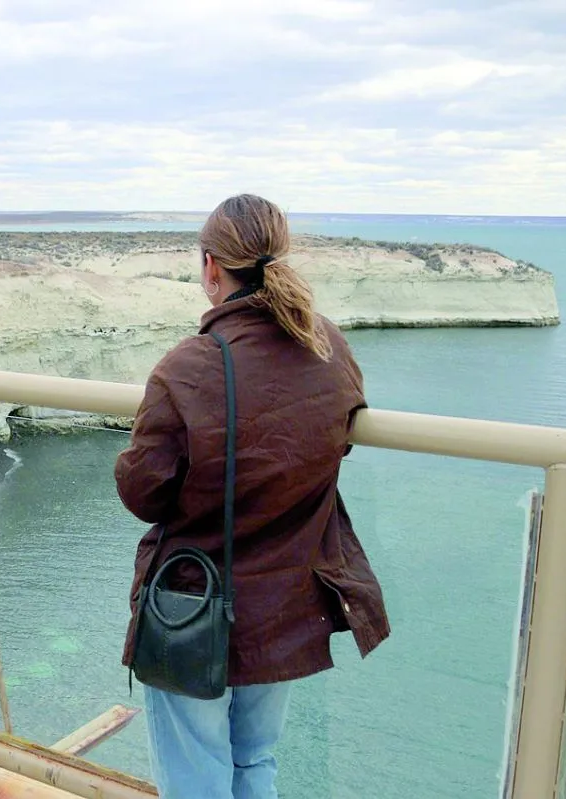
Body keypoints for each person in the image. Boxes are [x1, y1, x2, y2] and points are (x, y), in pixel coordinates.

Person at [115, 194, 390, 799]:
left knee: (195, 774)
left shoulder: (191, 365)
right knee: (256, 761)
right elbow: (335, 444)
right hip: (285, 603)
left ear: (212, 266)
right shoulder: (327, 344)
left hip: (193, 603)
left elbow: (144, 492)